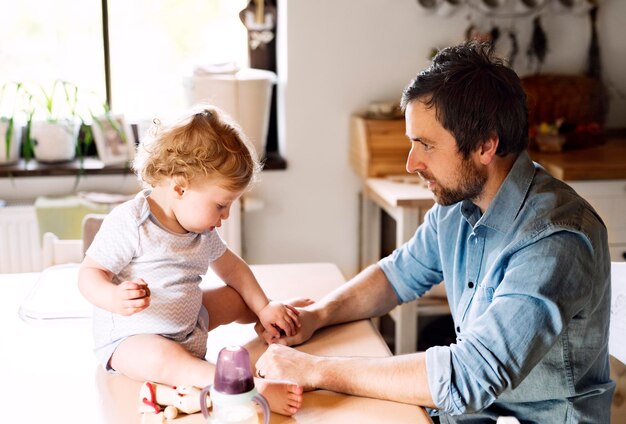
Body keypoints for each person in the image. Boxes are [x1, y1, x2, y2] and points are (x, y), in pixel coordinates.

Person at [254, 41, 615, 422]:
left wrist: (315, 369)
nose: (412, 163)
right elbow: (397, 275)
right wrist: (318, 315)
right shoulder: (460, 202)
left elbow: (470, 377)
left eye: (425, 145)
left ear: (485, 146)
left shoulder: (556, 239)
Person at [78, 105, 307, 416]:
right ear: (180, 187)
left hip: (188, 323)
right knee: (167, 361)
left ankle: (270, 327)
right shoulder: (131, 223)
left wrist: (264, 307)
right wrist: (113, 296)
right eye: (221, 205)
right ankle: (248, 388)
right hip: (133, 341)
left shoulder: (199, 229)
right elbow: (89, 274)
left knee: (240, 295)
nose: (225, 216)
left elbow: (234, 270)